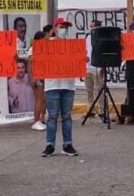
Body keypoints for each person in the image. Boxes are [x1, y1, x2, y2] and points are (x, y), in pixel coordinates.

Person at [42, 17, 79, 157]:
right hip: (52, 85)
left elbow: (78, 60)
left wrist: (83, 59)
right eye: (61, 26)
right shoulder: (46, 44)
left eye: (66, 27)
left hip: (68, 85)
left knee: (67, 116)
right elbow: (34, 56)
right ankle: (49, 145)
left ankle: (67, 144)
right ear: (55, 28)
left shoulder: (73, 45)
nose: (63, 29)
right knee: (52, 116)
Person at [84, 19, 106, 119]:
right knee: (89, 90)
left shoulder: (102, 38)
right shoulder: (88, 37)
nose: (91, 28)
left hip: (97, 67)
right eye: (90, 26)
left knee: (99, 90)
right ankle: (91, 110)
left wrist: (103, 66)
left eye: (92, 26)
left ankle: (102, 110)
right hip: (87, 66)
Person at [30, 30, 47, 131]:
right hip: (37, 77)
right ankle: (36, 121)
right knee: (39, 100)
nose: (46, 40)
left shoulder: (44, 49)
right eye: (45, 38)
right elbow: (30, 65)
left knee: (43, 99)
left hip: (44, 76)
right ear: (40, 39)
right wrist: (34, 77)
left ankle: (41, 118)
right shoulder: (33, 49)